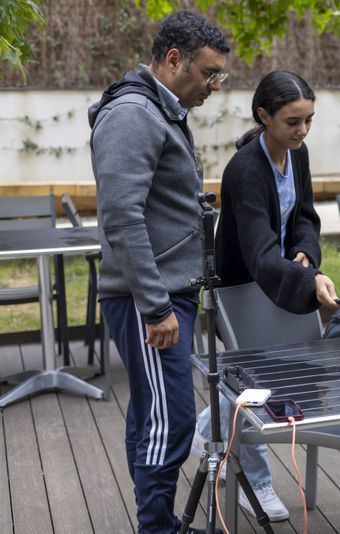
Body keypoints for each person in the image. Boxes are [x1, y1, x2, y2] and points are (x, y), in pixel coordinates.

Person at [88, 11, 229, 534]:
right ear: (174, 60)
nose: (214, 86)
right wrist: (156, 306)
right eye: (209, 73)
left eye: (219, 76)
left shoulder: (159, 111)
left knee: (154, 413)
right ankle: (156, 527)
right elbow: (121, 219)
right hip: (147, 301)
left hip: (164, 296)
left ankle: (157, 521)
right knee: (171, 420)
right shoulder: (132, 115)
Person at [192, 70, 340, 521]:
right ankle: (255, 483)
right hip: (240, 291)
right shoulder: (244, 171)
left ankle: (204, 430)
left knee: (265, 379)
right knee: (252, 382)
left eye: (309, 120)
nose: (303, 130)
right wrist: (309, 282)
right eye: (293, 121)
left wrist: (304, 253)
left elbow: (306, 218)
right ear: (264, 115)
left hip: (278, 279)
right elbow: (257, 253)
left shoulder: (298, 154)